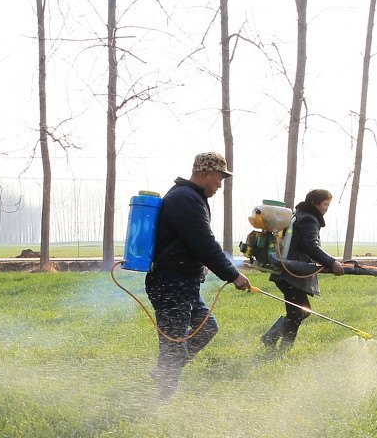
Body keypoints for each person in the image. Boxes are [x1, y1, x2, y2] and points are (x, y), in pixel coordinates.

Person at [146, 152, 250, 399]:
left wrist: (199, 264)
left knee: (207, 327)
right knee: (173, 344)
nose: (220, 184)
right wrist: (232, 275)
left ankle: (166, 372)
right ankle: (160, 403)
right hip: (171, 284)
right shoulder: (185, 198)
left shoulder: (190, 197)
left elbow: (190, 242)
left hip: (184, 283)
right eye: (219, 178)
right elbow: (203, 241)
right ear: (205, 174)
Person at [261, 189, 343, 352]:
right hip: (292, 274)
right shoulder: (309, 220)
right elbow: (311, 246)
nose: (326, 208)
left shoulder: (299, 215)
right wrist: (332, 262)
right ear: (314, 203)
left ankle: (270, 338)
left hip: (286, 272)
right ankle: (281, 349)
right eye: (325, 204)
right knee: (297, 313)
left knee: (301, 311)